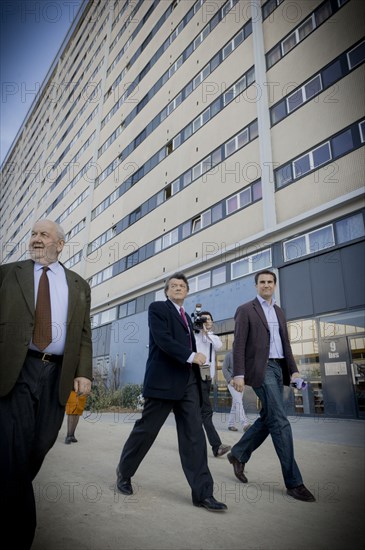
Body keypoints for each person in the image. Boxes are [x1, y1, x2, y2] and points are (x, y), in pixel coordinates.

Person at [0, 219, 93, 548]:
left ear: (60, 245)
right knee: (14, 446)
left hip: (57, 374)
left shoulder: (79, 285)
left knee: (39, 445)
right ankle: (21, 530)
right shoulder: (8, 273)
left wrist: (84, 372)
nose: (37, 240)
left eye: (44, 235)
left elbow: (83, 334)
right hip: (16, 369)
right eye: (34, 234)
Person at [116, 272, 227, 512]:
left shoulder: (188, 317)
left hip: (187, 382)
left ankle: (203, 494)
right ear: (167, 291)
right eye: (173, 286)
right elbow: (163, 339)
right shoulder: (157, 309)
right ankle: (124, 473)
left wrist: (205, 333)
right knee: (146, 431)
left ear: (187, 291)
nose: (178, 288)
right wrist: (190, 356)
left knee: (194, 437)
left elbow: (200, 344)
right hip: (163, 382)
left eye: (182, 286)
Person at [226, 269, 316, 502]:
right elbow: (238, 345)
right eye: (262, 282)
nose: (266, 285)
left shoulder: (279, 312)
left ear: (274, 285)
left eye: (269, 282)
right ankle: (294, 482)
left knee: (269, 416)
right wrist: (238, 374)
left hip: (279, 369)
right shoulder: (246, 310)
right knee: (280, 420)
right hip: (260, 369)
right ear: (256, 286)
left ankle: (238, 453)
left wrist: (294, 370)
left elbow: (286, 344)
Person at [194, 311, 231, 457]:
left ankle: (192, 443)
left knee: (199, 411)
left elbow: (218, 346)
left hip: (207, 378)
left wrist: (206, 333)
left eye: (209, 319)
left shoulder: (213, 337)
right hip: (194, 376)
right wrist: (199, 331)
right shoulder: (194, 336)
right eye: (204, 319)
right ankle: (216, 446)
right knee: (205, 412)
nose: (207, 322)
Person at [222, 350, 251, 432]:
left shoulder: (243, 355)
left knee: (235, 404)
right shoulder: (229, 355)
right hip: (232, 383)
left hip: (241, 383)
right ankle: (245, 424)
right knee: (239, 402)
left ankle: (230, 425)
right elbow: (224, 369)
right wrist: (230, 380)